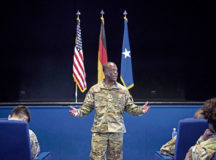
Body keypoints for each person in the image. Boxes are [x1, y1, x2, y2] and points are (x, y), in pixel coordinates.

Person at [69, 62, 150, 160]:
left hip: (116, 132)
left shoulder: (123, 90)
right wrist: (78, 113)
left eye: (116, 70)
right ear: (105, 72)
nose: (115, 73)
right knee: (96, 158)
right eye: (112, 70)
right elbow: (87, 107)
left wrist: (141, 110)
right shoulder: (95, 90)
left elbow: (130, 107)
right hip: (99, 132)